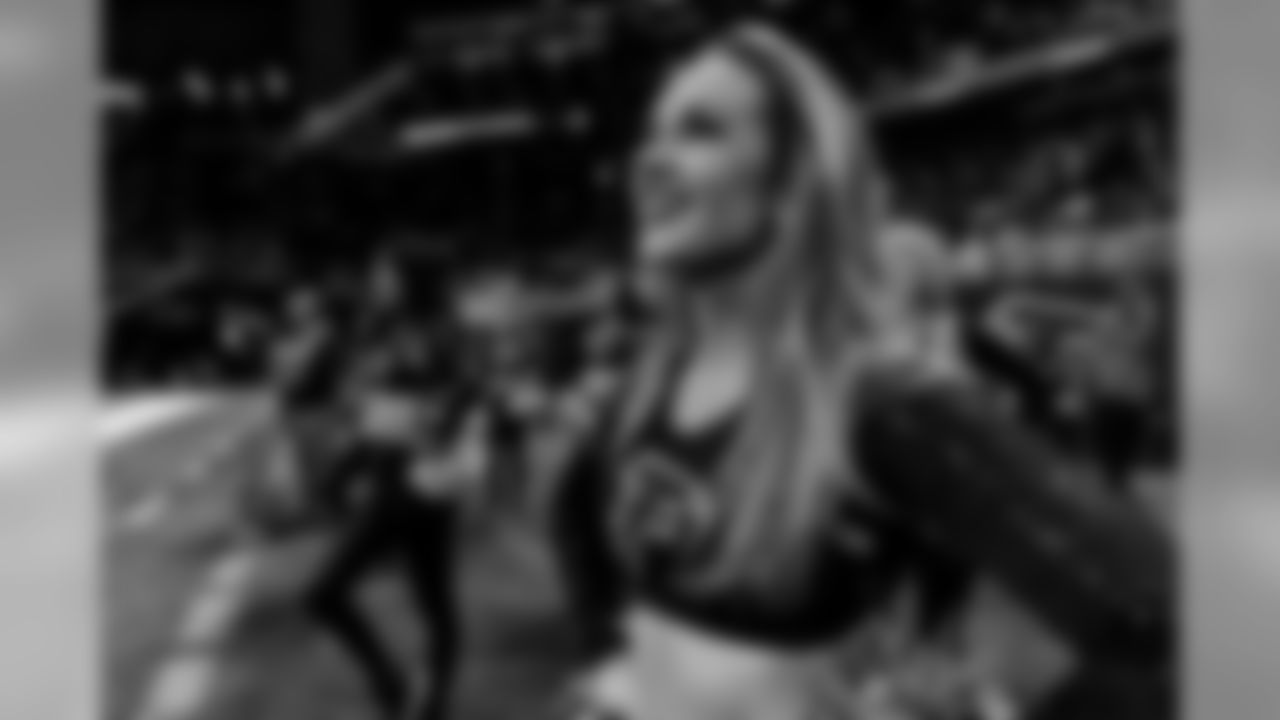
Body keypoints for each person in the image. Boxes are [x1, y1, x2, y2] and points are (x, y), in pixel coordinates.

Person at [531, 22, 1172, 720]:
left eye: (701, 130)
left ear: (791, 180)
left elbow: (1155, 622)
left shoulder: (883, 401)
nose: (649, 159)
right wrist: (609, 675)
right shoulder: (648, 376)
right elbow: (599, 560)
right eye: (651, 132)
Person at [305, 318, 476, 720]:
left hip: (406, 503)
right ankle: (416, 696)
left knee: (324, 594)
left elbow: (379, 438)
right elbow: (375, 438)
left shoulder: (428, 379)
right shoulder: (422, 377)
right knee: (435, 606)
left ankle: (398, 688)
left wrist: (334, 483)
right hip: (421, 504)